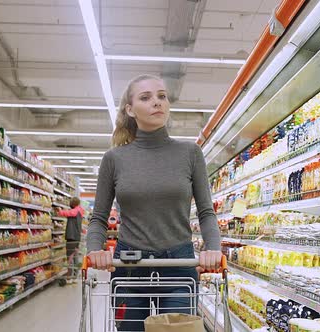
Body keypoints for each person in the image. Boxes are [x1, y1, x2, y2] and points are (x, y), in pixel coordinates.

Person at [86, 74, 222, 330]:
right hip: (128, 267)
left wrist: (213, 248)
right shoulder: (114, 159)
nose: (156, 102)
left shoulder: (190, 153)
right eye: (146, 97)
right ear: (130, 109)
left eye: (162, 96)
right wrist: (95, 250)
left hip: (179, 266)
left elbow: (206, 212)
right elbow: (99, 218)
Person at [58, 197, 84, 278]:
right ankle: (75, 274)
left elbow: (68, 213)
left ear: (73, 204)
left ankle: (70, 274)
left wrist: (59, 210)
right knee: (75, 255)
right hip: (76, 237)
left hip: (72, 236)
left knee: (70, 256)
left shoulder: (75, 211)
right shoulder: (80, 210)